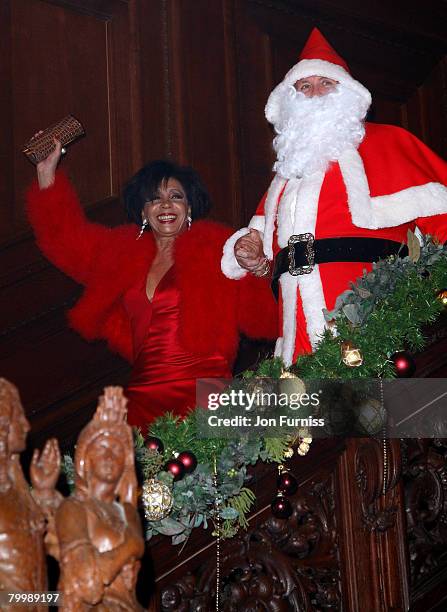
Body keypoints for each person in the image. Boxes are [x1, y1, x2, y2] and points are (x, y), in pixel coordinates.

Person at [221, 27, 447, 367]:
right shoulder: (285, 176)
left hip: (373, 326)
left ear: (347, 93)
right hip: (295, 333)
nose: (315, 94)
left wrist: (423, 302)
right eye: (305, 86)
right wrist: (251, 254)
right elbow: (266, 252)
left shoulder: (389, 142)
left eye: (326, 83)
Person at [26, 143, 277, 429]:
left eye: (176, 197)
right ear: (144, 211)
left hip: (207, 397)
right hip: (143, 400)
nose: (166, 205)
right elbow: (66, 241)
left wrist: (259, 269)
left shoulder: (217, 249)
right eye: (155, 199)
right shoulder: (121, 251)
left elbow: (264, 321)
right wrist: (47, 173)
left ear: (189, 207)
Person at [54, 386, 145, 611]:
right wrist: (130, 546)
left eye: (116, 449)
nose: (109, 456)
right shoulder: (73, 508)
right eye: (101, 447)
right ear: (85, 459)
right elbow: (88, 584)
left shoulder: (127, 512)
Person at [0, 378, 61, 610]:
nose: (26, 425)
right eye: (18, 417)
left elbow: (51, 546)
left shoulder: (14, 492)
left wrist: (45, 494)